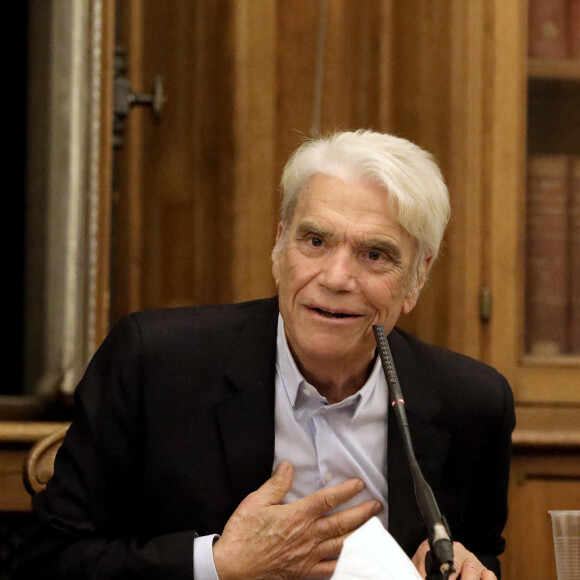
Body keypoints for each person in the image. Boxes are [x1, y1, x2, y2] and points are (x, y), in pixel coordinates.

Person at [16, 130, 515, 580]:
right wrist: (219, 564)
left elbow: (479, 554)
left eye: (375, 254)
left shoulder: (471, 402)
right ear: (279, 247)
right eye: (315, 241)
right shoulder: (155, 363)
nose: (337, 278)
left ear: (418, 276)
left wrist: (465, 568)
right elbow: (50, 562)